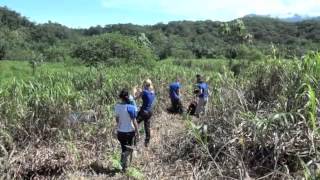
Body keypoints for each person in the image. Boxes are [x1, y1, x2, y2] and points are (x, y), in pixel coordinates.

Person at [115, 89, 140, 172]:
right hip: (129, 132)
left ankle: (123, 167)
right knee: (130, 149)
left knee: (123, 149)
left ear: (121, 98)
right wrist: (137, 132)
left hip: (120, 132)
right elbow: (134, 121)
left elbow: (117, 120)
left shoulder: (117, 106)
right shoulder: (131, 107)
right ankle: (126, 165)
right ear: (128, 97)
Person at [135, 79, 155, 147]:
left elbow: (136, 98)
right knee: (147, 126)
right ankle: (147, 142)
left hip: (144, 112)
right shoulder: (153, 92)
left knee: (134, 123)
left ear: (145, 85)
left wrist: (135, 90)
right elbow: (148, 100)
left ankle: (135, 140)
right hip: (150, 111)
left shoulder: (144, 92)